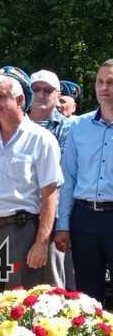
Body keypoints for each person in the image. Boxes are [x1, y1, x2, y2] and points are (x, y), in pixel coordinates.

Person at [0, 73, 62, 318]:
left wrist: (41, 242)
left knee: (21, 306)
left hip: (21, 233)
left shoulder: (41, 139)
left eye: (0, 97)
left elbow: (49, 193)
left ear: (19, 100)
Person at [55, 59, 113, 305]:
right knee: (88, 296)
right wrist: (63, 224)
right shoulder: (79, 126)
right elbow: (68, 178)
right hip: (84, 217)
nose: (103, 87)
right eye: (100, 81)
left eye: (110, 82)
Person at [27, 70, 75, 290]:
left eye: (48, 90)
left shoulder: (70, 129)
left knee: (54, 286)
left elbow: (67, 178)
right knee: (17, 281)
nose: (41, 94)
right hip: (18, 218)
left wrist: (64, 222)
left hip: (54, 218)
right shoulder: (14, 126)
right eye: (36, 89)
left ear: (58, 95)